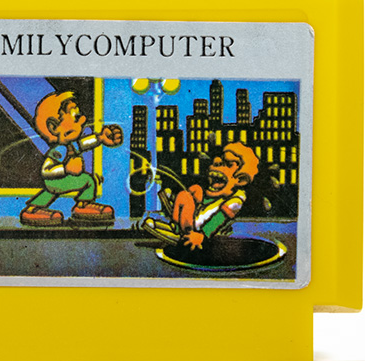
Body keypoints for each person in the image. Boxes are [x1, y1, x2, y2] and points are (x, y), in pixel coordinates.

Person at [20, 91, 123, 226]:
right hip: (55, 181)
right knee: (52, 190)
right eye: (76, 117)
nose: (83, 120)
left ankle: (82, 206)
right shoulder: (60, 150)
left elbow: (84, 143)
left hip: (65, 179)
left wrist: (101, 138)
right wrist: (65, 168)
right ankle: (31, 211)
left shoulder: (71, 145)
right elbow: (46, 170)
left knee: (88, 180)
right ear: (54, 127)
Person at [143, 142, 259, 249]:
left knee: (186, 198)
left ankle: (182, 231)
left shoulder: (235, 201)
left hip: (200, 231)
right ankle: (176, 226)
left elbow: (217, 220)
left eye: (228, 164)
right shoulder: (215, 196)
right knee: (194, 190)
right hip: (195, 220)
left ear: (240, 180)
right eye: (219, 163)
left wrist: (202, 236)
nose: (217, 165)